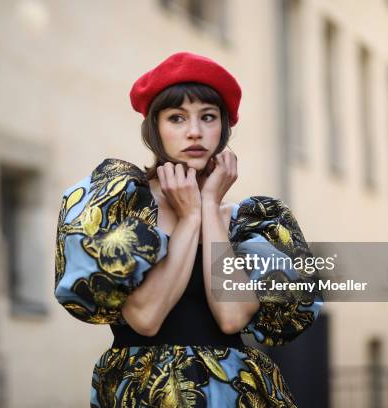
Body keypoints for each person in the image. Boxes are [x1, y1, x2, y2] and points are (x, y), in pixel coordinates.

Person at [55, 52, 323, 407]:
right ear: (155, 129)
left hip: (233, 393)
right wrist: (190, 218)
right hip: (145, 391)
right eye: (177, 118)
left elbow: (232, 317)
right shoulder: (122, 208)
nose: (194, 131)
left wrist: (208, 207)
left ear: (222, 129)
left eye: (207, 117)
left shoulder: (248, 221)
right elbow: (146, 318)